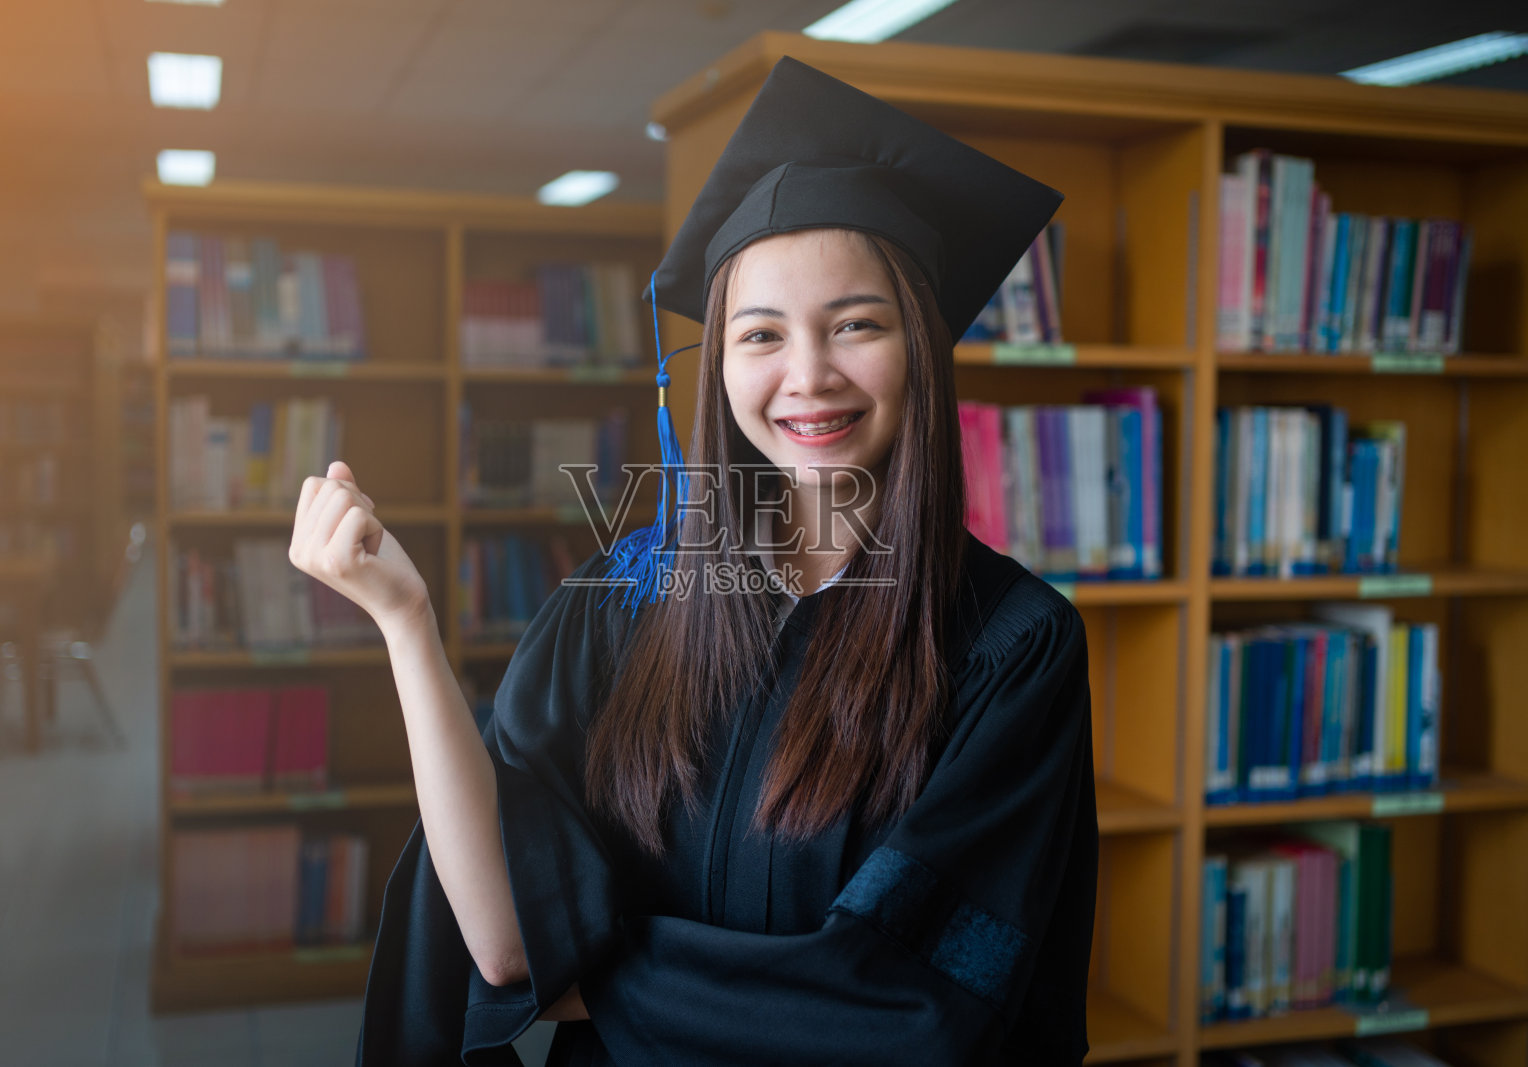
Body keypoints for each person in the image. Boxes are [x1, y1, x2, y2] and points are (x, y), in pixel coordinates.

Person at [290, 58, 1097, 1066]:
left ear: (919, 347)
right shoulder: (624, 604)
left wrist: (590, 979)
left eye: (856, 323)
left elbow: (912, 1003)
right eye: (760, 334)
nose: (808, 374)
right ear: (714, 365)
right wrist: (403, 620)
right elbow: (502, 939)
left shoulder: (1010, 648)